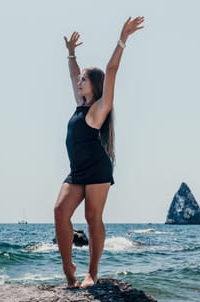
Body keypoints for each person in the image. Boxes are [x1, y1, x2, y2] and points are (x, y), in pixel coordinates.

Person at [54, 16, 145, 288]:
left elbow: (112, 69)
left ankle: (92, 272)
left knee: (92, 218)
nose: (79, 81)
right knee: (60, 211)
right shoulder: (79, 104)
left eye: (84, 79)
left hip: (97, 170)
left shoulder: (99, 108)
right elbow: (72, 73)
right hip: (77, 172)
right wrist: (71, 53)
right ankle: (69, 269)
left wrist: (122, 39)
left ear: (94, 84)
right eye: (79, 79)